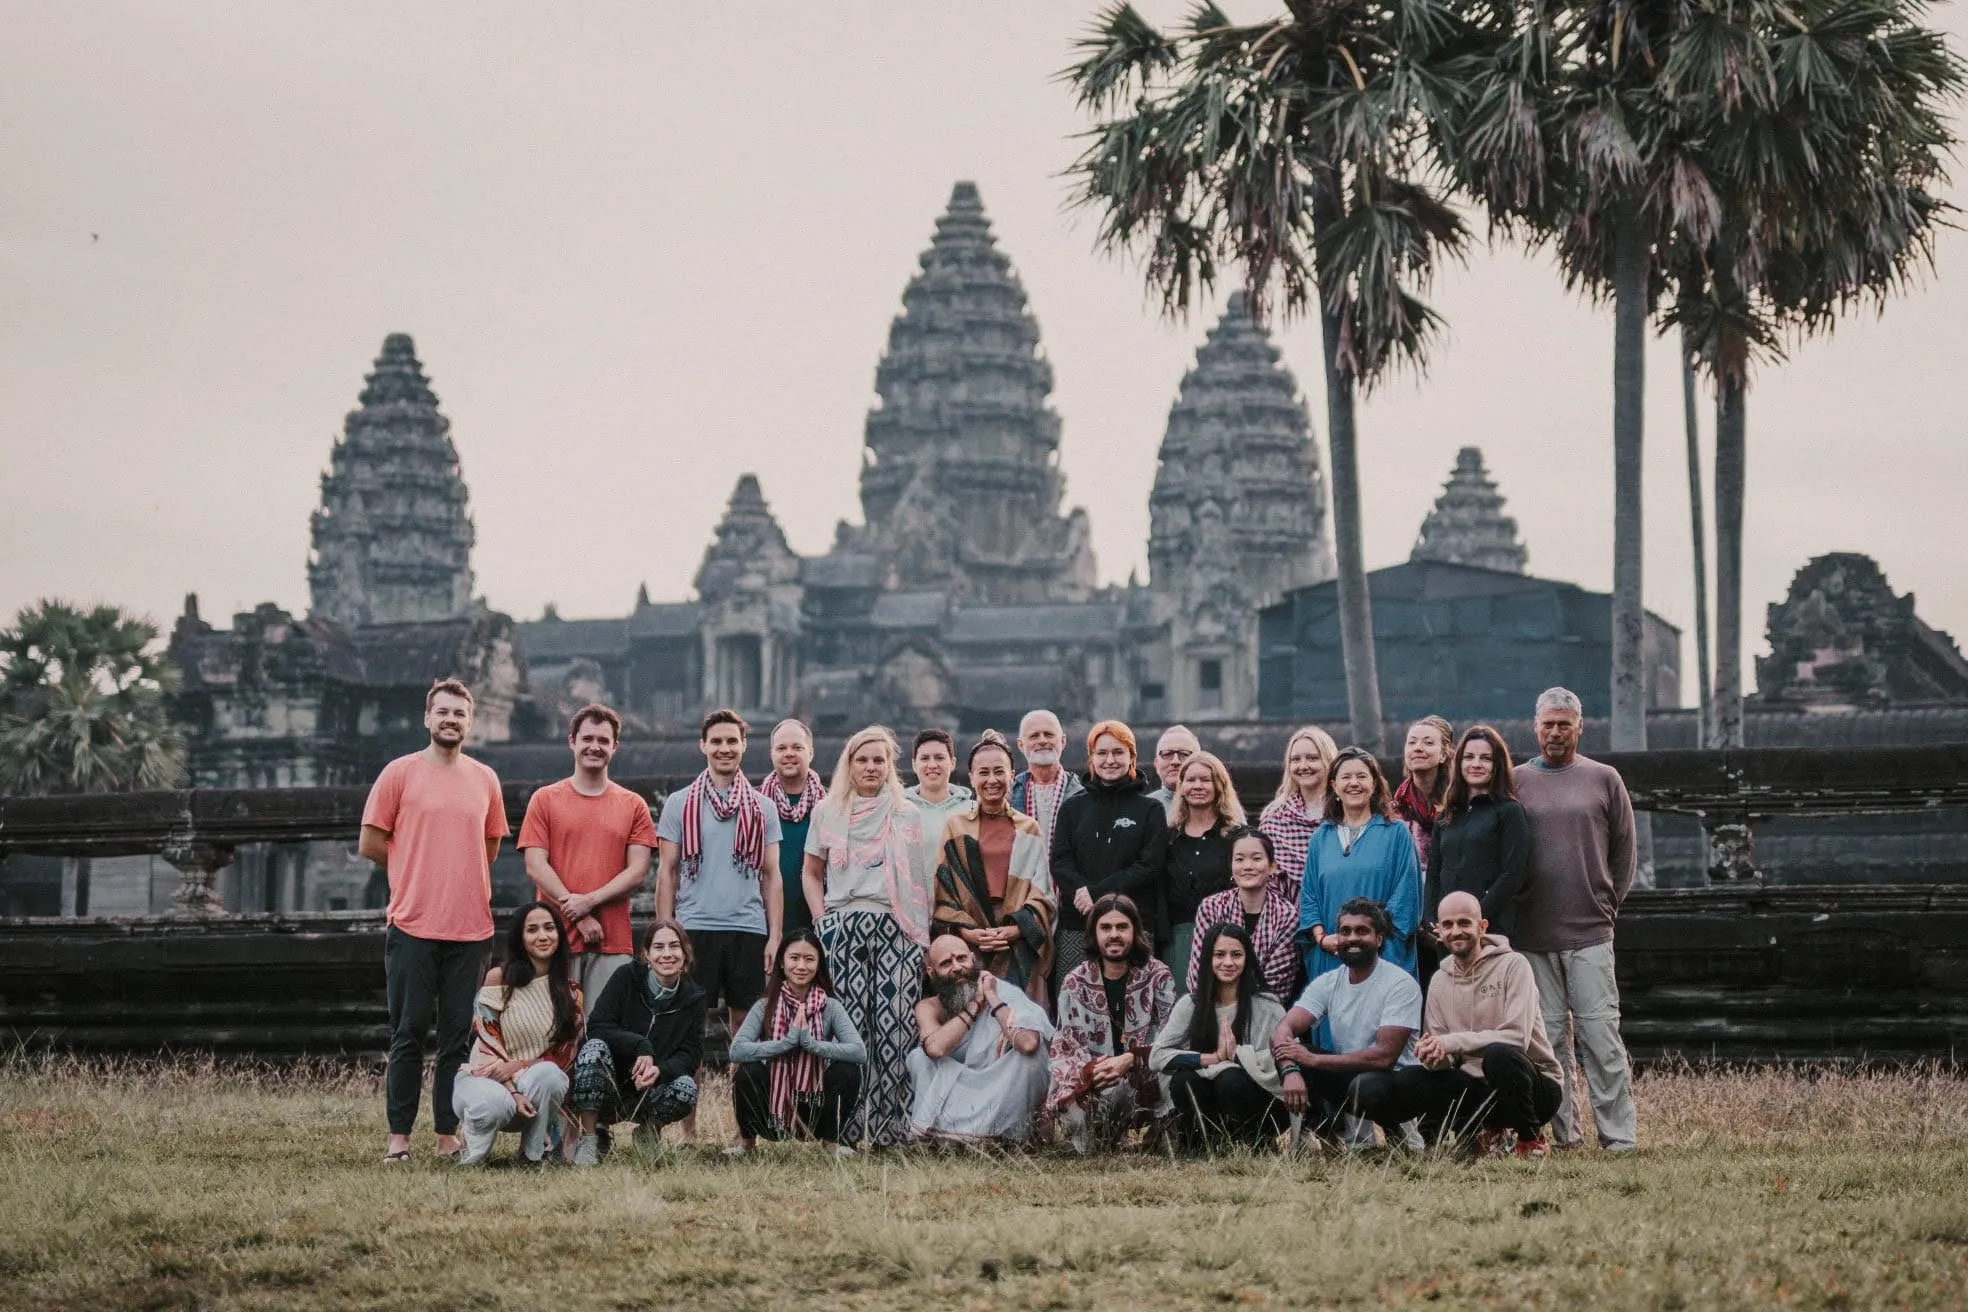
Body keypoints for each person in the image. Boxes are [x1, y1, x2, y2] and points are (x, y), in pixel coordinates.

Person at [360, 678, 509, 1163]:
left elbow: (490, 847)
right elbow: (371, 842)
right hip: (413, 924)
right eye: (442, 711)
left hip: (471, 928)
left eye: (459, 713)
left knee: (456, 1039)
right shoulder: (399, 774)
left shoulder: (485, 779)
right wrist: (416, 869)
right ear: (427, 718)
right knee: (407, 1033)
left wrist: (452, 869)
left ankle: (447, 1133)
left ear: (470, 722)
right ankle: (399, 1139)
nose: (450, 719)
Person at [1513, 687, 1639, 1152]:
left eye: (1564, 724)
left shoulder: (1604, 779)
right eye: (1548, 724)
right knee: (1547, 1040)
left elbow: (1624, 850)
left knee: (1600, 1034)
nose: (1555, 732)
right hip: (1532, 933)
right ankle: (1564, 1134)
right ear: (1535, 727)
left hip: (1590, 929)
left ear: (1579, 727)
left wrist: (1608, 904)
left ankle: (1618, 1135)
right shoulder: (1515, 781)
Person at [1350, 892, 1564, 1157]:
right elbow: (1445, 1059)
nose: (1455, 931)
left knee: (1499, 1056)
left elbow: (1517, 1038)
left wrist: (1452, 1041)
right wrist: (1433, 1055)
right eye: (1448, 925)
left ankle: (1529, 1139)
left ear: (1482, 926)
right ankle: (1460, 1135)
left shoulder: (1514, 965)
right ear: (1439, 931)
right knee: (1382, 1084)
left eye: (1464, 923)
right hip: (1475, 1087)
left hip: (1534, 1087)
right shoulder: (1440, 980)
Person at [656, 708, 783, 1141]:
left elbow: (772, 876)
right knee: (688, 1032)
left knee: (746, 1034)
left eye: (732, 741)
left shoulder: (763, 807)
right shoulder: (679, 804)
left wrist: (775, 935)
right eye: (717, 741)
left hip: (748, 929)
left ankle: (743, 1132)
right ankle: (689, 1131)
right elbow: (667, 871)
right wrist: (666, 933)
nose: (724, 748)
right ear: (703, 746)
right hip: (694, 928)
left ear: (744, 746)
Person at [802, 724, 929, 1149]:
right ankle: (847, 1127)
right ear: (849, 764)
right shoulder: (827, 812)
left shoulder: (906, 813)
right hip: (844, 924)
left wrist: (920, 936)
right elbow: (811, 873)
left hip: (896, 925)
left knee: (896, 1027)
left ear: (889, 766)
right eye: (863, 760)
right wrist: (823, 922)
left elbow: (916, 881)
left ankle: (893, 1129)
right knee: (851, 1029)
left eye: (879, 760)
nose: (871, 767)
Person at [518, 703, 658, 1012]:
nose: (595, 746)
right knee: (554, 1027)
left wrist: (589, 901)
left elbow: (637, 872)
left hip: (612, 939)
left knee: (605, 1028)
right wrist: (579, 914)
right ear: (572, 741)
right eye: (587, 739)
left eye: (603, 740)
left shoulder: (633, 805)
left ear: (615, 746)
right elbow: (535, 865)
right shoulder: (545, 800)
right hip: (552, 938)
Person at [1268, 898, 1421, 1144]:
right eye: (1345, 931)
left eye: (1362, 931)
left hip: (1394, 1083)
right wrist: (1290, 1070)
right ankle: (1322, 1134)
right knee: (1295, 1053)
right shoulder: (1328, 982)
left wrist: (1313, 1059)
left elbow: (1384, 1057)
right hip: (1350, 1075)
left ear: (1379, 939)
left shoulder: (1400, 984)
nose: (1352, 938)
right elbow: (1282, 1030)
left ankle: (1400, 1138)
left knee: (1364, 1084)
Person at [452, 901, 584, 1165]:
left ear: (559, 934)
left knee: (551, 1075)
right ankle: (472, 1156)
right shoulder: (499, 979)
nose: (543, 936)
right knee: (494, 1104)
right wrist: (513, 1091)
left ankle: (531, 1155)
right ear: (520, 939)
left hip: (532, 1087)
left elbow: (565, 1055)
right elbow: (487, 1042)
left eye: (549, 928)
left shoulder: (571, 993)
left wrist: (521, 1066)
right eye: (532, 930)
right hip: (485, 1079)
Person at [929, 730, 1055, 999]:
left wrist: (1018, 929)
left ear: (1012, 775)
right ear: (971, 777)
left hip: (1017, 940)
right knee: (971, 1012)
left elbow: (1042, 893)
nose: (992, 780)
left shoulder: (1028, 828)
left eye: (999, 772)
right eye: (983, 773)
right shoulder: (955, 827)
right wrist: (967, 933)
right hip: (969, 945)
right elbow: (944, 889)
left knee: (1019, 1016)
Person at [569, 919, 707, 1163]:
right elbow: (598, 1026)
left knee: (686, 1088)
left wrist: (660, 1071)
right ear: (647, 954)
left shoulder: (694, 998)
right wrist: (640, 1046)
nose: (667, 954)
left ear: (685, 953)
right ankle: (590, 1137)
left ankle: (648, 1131)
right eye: (659, 947)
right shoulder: (627, 977)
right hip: (610, 1083)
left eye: (674, 946)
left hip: (649, 1088)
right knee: (593, 1048)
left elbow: (691, 1053)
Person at [1046, 893, 1175, 1152]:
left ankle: (1158, 1138)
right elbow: (1064, 1049)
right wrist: (1091, 1071)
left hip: (1144, 1075)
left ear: (1135, 931)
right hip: (1097, 1080)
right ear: (1094, 933)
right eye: (1105, 927)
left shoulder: (1158, 976)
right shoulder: (1075, 982)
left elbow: (1171, 1038)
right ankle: (1098, 1139)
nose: (1114, 935)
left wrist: (1132, 1059)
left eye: (1122, 927)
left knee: (1174, 1069)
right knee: (1067, 1091)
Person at [1050, 721, 1170, 993]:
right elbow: (1060, 862)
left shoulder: (1150, 809)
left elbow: (1149, 865)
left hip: (1133, 924)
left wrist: (1096, 893)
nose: (1110, 760)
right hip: (1078, 923)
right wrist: (1081, 892)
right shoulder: (1072, 808)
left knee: (1135, 1001)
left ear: (1132, 757)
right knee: (1075, 999)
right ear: (1091, 758)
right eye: (1102, 753)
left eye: (1118, 752)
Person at [1151, 923, 1288, 1153]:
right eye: (1219, 955)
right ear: (1208, 958)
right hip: (1208, 1102)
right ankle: (1199, 1148)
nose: (1228, 962)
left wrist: (1237, 1056)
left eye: (1236, 955)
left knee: (1230, 1079)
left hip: (1256, 1099)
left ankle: (1254, 1146)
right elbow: (1156, 1057)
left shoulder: (1267, 1005)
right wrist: (1214, 1058)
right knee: (1185, 1080)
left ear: (1247, 958)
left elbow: (1280, 1059)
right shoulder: (1190, 1005)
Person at [729, 929, 866, 1155]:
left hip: (814, 1103)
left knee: (848, 1070)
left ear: (818, 965)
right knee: (747, 1071)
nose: (801, 966)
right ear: (782, 963)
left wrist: (812, 1044)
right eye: (794, 958)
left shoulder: (830, 1006)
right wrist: (787, 1042)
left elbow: (859, 1051)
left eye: (809, 959)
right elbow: (736, 1050)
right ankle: (747, 1143)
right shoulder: (765, 1006)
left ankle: (831, 1143)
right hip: (773, 1106)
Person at [907, 934, 1055, 1144]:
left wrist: (992, 997)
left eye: (961, 958)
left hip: (996, 1088)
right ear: (932, 972)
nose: (957, 967)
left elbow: (1028, 1043)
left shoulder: (1002, 992)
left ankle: (999, 1135)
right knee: (918, 1058)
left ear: (973, 959)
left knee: (1034, 1057)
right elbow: (936, 1049)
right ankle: (945, 1136)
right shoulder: (929, 1007)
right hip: (957, 1093)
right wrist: (974, 1005)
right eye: (946, 963)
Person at [1297, 747, 1422, 982]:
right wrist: (1322, 938)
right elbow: (1309, 895)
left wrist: (1370, 940)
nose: (1354, 783)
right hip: (1332, 956)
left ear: (1374, 784)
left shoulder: (1396, 833)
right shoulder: (1321, 838)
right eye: (1346, 777)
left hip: (1382, 957)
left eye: (1361, 776)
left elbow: (1406, 896)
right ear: (1334, 786)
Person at [1426, 725, 1531, 938]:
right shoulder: (1446, 815)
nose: (1476, 764)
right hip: (1448, 933)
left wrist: (1474, 918)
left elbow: (1513, 873)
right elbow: (1434, 874)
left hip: (1489, 930)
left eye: (1486, 758)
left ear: (1497, 765)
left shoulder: (1509, 811)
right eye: (1469, 757)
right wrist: (1432, 919)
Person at [1163, 751, 1246, 990]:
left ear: (1219, 786)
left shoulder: (1236, 836)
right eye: (1190, 780)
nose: (1197, 786)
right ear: (1181, 787)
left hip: (1225, 940)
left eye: (1205, 780)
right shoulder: (1167, 837)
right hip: (1177, 941)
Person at [1186, 828, 1298, 999]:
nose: (1247, 866)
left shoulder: (1287, 916)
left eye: (1256, 858)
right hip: (1210, 1006)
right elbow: (1199, 974)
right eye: (1239, 859)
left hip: (1264, 1009)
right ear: (1231, 865)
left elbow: (1274, 986)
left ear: (1272, 867)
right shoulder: (1211, 908)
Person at [1258, 725, 1338, 904]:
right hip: (1288, 913)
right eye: (1295, 759)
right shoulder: (1273, 817)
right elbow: (1266, 880)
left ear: (1329, 760)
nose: (1303, 766)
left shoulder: (1347, 812)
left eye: (1312, 758)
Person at [761, 718, 826, 939]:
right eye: (781, 748)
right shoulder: (753, 805)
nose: (789, 754)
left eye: (797, 747)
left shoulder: (831, 806)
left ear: (811, 753)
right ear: (771, 754)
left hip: (819, 923)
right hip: (764, 926)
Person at [1010, 708, 1084, 860]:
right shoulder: (1009, 795)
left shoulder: (1083, 795)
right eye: (1034, 736)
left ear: (1063, 741)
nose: (1042, 740)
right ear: (1020, 745)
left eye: (1049, 734)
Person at [904, 727, 975, 880]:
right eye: (925, 758)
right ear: (914, 765)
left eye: (939, 758)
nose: (932, 764)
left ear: (953, 763)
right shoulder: (898, 810)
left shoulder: (973, 810)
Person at [1391, 716, 1455, 873]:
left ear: (1443, 755)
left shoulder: (1459, 804)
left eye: (1428, 743)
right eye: (1412, 742)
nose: (1418, 748)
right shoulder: (1395, 811)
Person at [1146, 724, 1200, 808]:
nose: (1175, 761)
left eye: (1184, 754)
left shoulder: (1217, 807)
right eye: (1167, 754)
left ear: (1200, 762)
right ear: (1156, 764)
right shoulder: (1143, 809)